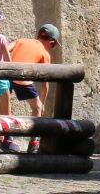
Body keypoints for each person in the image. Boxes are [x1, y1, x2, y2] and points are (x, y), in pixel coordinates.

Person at [6, 23, 61, 153]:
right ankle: (34, 143)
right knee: (37, 108)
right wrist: (43, 103)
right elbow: (45, 83)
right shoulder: (45, 54)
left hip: (6, 75)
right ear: (51, 42)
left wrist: (9, 66)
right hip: (22, 78)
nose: (51, 48)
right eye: (53, 46)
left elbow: (6, 48)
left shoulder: (21, 41)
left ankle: (5, 138)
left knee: (5, 105)